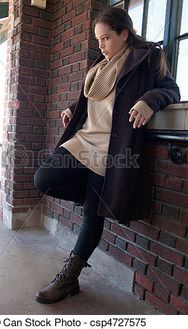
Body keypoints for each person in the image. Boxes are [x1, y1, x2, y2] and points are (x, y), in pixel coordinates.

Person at [34, 7, 180, 304]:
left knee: (91, 216)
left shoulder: (145, 59)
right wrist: (73, 111)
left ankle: (69, 278)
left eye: (106, 38)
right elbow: (96, 103)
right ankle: (91, 196)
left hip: (111, 151)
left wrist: (149, 101)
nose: (101, 45)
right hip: (83, 141)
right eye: (98, 39)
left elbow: (171, 90)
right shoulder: (101, 66)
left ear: (124, 34)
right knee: (45, 178)